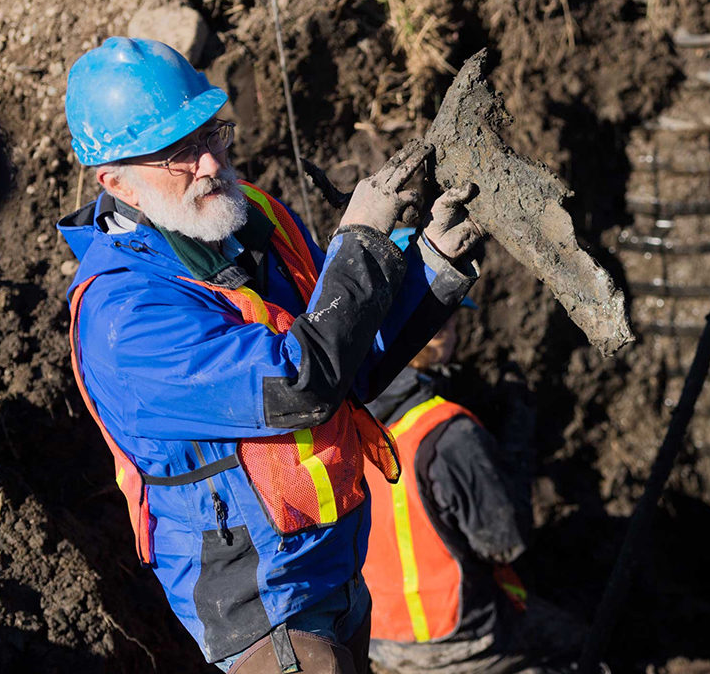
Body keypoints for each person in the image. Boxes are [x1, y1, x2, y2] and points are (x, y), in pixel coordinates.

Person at [58, 37, 484, 673]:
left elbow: (345, 360)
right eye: (178, 154)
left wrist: (431, 268)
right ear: (115, 181)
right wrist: (362, 243)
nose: (209, 163)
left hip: (334, 567)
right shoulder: (125, 320)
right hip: (260, 602)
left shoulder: (247, 218)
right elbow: (301, 383)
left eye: (213, 134)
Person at [363, 234, 583, 674]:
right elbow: (506, 543)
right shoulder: (450, 433)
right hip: (459, 639)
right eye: (440, 319)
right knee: (579, 642)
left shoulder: (345, 413)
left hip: (375, 636)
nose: (448, 328)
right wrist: (516, 445)